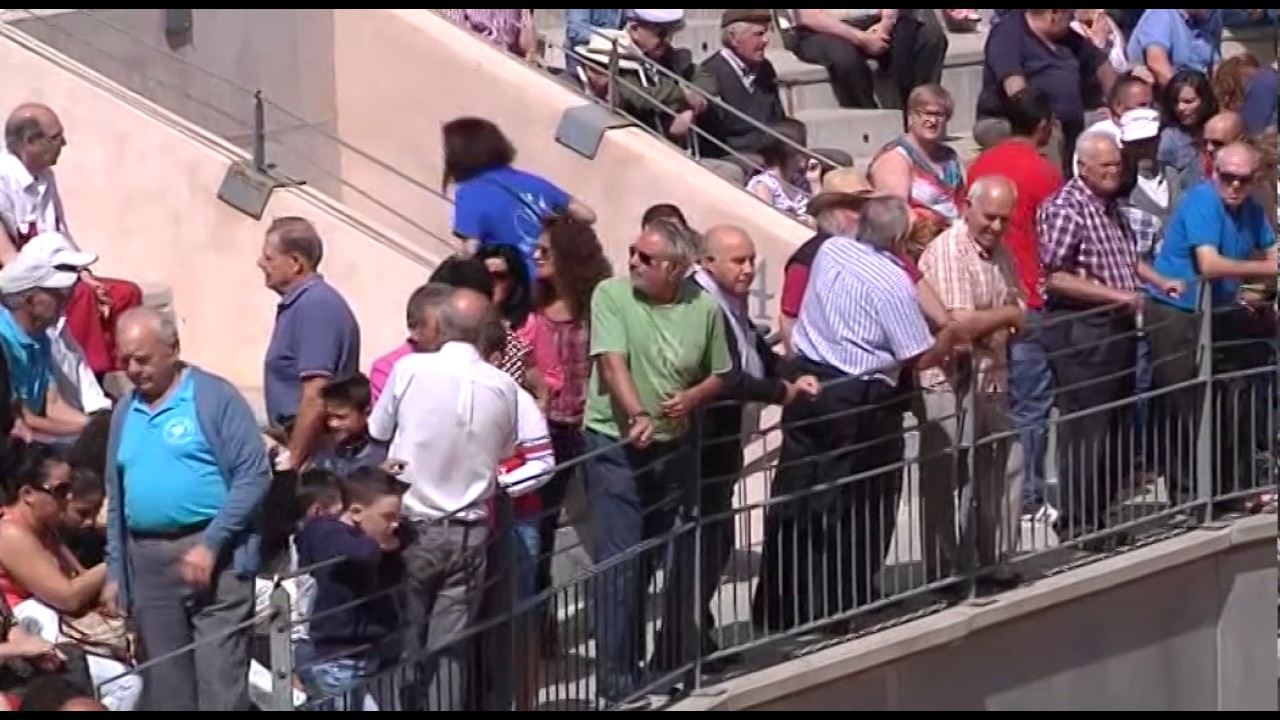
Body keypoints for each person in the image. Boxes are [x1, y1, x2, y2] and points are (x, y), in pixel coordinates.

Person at [103, 307, 271, 711]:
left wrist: (212, 543)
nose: (133, 369)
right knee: (166, 687)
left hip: (215, 555)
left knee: (219, 682)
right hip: (148, 562)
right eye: (125, 360)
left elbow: (254, 475)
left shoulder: (214, 397)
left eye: (142, 359)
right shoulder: (125, 411)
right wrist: (114, 570)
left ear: (173, 350)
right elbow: (116, 495)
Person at [294, 467, 405, 711]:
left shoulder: (373, 537)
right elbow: (361, 553)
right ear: (356, 512)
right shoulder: (325, 531)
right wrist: (382, 545)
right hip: (336, 656)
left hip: (370, 652)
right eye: (387, 517)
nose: (395, 524)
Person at [308, 373, 388, 477]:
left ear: (366, 413)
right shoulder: (324, 449)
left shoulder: (382, 453)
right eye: (328, 417)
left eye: (341, 417)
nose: (332, 424)